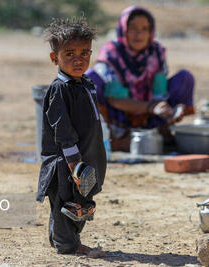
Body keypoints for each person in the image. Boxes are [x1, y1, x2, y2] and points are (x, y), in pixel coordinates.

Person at [36, 17, 107, 255]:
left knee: (81, 201)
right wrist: (74, 163)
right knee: (66, 203)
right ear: (54, 58)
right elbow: (62, 129)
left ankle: (60, 239)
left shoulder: (85, 83)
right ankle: (67, 245)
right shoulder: (59, 88)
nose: (79, 59)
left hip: (86, 156)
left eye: (84, 53)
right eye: (69, 54)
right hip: (66, 162)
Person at [86, 6, 195, 151]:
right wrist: (151, 107)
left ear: (151, 32)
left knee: (184, 78)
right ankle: (114, 140)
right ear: (123, 29)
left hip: (151, 116)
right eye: (133, 28)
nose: (139, 34)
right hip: (118, 116)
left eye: (145, 29)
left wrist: (169, 110)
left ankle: (160, 132)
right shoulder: (111, 53)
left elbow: (159, 93)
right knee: (89, 78)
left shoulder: (156, 52)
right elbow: (115, 99)